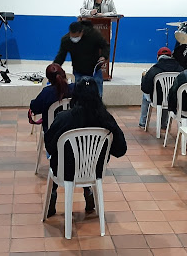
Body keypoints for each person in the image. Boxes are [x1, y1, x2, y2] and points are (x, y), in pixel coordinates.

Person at [44, 78, 127, 217]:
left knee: (59, 159)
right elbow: (121, 150)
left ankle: (53, 193)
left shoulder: (63, 118)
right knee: (86, 158)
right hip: (95, 170)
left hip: (65, 171)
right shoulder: (106, 120)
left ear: (75, 95)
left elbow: (50, 147)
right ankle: (88, 190)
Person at [53, 21, 109, 96]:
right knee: (78, 96)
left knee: (98, 95)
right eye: (72, 36)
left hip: (94, 70)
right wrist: (54, 68)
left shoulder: (94, 35)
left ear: (81, 32)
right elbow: (61, 56)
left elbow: (105, 45)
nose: (74, 39)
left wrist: (104, 56)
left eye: (76, 37)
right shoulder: (66, 40)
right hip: (78, 70)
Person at [139, 46, 184, 129]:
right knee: (167, 95)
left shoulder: (154, 70)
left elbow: (145, 88)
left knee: (145, 95)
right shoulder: (180, 69)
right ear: (171, 56)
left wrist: (143, 77)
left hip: (158, 100)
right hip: (173, 100)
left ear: (157, 57)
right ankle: (164, 123)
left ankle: (143, 122)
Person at [30, 63, 75, 132]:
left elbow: (35, 108)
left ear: (49, 79)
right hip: (72, 131)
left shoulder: (46, 92)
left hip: (51, 134)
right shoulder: (76, 88)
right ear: (64, 74)